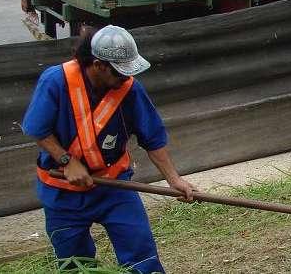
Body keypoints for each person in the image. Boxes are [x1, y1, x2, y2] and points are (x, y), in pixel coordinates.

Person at [21, 25, 195, 273]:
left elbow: (153, 138)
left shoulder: (130, 89)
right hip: (63, 193)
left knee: (142, 257)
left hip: (115, 188)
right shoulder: (55, 81)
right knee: (75, 265)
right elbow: (37, 129)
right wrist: (66, 160)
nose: (126, 79)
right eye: (120, 73)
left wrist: (173, 179)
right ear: (98, 65)